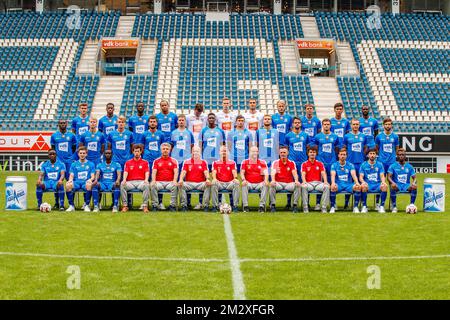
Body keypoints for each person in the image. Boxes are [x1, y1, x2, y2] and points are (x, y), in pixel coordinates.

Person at [312, 118, 340, 210]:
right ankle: (318, 203)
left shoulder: (335, 136)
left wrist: (334, 158)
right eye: (325, 124)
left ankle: (333, 203)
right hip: (321, 162)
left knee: (332, 182)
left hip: (331, 162)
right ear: (322, 126)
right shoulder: (318, 136)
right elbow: (315, 147)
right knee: (320, 182)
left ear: (330, 125)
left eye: (328, 124)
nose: (326, 126)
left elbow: (337, 148)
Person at [170, 114, 196, 208]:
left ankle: (186, 202)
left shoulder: (189, 133)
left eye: (183, 120)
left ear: (185, 122)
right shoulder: (173, 133)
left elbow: (192, 146)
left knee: (186, 181)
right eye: (179, 120)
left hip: (186, 160)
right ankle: (175, 203)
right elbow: (171, 146)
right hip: (176, 160)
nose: (181, 121)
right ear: (177, 122)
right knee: (176, 181)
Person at [343, 119, 368, 209]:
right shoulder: (347, 136)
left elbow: (365, 148)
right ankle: (346, 202)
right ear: (351, 125)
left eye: (357, 124)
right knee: (349, 182)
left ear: (359, 125)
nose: (355, 126)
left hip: (360, 163)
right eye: (354, 124)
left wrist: (363, 156)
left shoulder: (363, 136)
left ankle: (361, 202)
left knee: (361, 182)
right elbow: (345, 148)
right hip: (350, 163)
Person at [178, 146, 212, 212]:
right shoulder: (187, 162)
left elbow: (206, 172)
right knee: (181, 185)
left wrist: (208, 179)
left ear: (200, 153)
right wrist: (181, 179)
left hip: (200, 184)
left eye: (197, 151)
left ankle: (205, 206)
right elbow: (183, 172)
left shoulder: (203, 162)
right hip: (189, 183)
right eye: (194, 151)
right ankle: (184, 206)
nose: (195, 153)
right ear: (191, 152)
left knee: (208, 185)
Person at [375, 117, 399, 210]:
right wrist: (381, 157)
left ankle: (393, 204)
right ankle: (378, 203)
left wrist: (393, 158)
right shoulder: (379, 137)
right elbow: (377, 148)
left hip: (391, 163)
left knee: (392, 183)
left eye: (389, 124)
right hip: (381, 162)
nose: (388, 126)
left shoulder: (395, 136)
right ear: (383, 125)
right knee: (380, 182)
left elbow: (397, 149)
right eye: (386, 124)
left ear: (391, 125)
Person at [269, 146, 301, 213]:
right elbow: (273, 172)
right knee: (272, 185)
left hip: (289, 184)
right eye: (281, 152)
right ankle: (273, 205)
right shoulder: (275, 162)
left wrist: (296, 181)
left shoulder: (292, 163)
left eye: (284, 152)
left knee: (297, 185)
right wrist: (273, 180)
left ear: (287, 153)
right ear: (279, 153)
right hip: (278, 183)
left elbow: (294, 173)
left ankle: (295, 205)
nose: (283, 154)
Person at [329, 148, 362, 213]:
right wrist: (333, 183)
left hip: (348, 185)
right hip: (339, 184)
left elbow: (353, 174)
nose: (342, 156)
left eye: (344, 155)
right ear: (338, 155)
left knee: (357, 187)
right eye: (341, 154)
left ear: (346, 156)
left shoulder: (350, 165)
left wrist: (357, 182)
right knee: (333, 187)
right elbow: (333, 175)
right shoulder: (334, 165)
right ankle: (332, 207)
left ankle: (355, 207)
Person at [120, 144, 150, 213]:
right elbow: (125, 172)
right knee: (122, 184)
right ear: (133, 152)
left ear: (141, 152)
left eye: (138, 151)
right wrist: (124, 179)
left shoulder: (145, 162)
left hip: (141, 182)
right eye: (135, 151)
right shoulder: (128, 162)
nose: (137, 153)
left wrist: (146, 180)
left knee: (146, 185)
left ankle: (145, 206)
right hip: (131, 182)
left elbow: (147, 172)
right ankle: (125, 206)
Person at [65, 147, 96, 212]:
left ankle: (86, 205)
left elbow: (93, 176)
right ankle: (71, 206)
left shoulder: (91, 164)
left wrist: (90, 180)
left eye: (84, 153)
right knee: (68, 185)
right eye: (80, 153)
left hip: (85, 182)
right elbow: (71, 175)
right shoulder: (74, 164)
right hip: (77, 182)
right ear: (78, 154)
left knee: (89, 185)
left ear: (86, 154)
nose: (82, 155)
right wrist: (70, 180)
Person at [387, 148, 417, 213]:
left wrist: (414, 183)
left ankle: (411, 205)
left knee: (414, 186)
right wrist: (392, 182)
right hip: (397, 185)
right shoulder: (393, 166)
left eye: (403, 155)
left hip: (406, 185)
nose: (401, 156)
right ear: (397, 156)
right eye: (399, 155)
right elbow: (389, 177)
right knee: (392, 186)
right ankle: (394, 207)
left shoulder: (409, 166)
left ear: (405, 156)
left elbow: (415, 178)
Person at [301, 146, 330, 213]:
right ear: (308, 153)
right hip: (309, 183)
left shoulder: (320, 163)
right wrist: (304, 182)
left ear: (316, 153)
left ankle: (324, 207)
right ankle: (305, 207)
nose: (312, 154)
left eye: (314, 152)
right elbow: (303, 174)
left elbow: (323, 173)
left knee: (327, 186)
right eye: (310, 152)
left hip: (318, 183)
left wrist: (325, 181)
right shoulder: (304, 164)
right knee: (304, 186)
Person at [150, 143, 178, 212]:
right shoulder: (156, 161)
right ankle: (155, 205)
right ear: (161, 150)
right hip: (159, 182)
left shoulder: (174, 161)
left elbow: (176, 172)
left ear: (170, 150)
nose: (165, 150)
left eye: (167, 149)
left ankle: (172, 206)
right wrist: (153, 180)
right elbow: (154, 172)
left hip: (170, 182)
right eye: (163, 149)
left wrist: (174, 180)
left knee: (175, 186)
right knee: (153, 186)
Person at [211, 146, 240, 212]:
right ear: (219, 152)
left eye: (225, 151)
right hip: (219, 183)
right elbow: (214, 172)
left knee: (236, 183)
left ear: (228, 153)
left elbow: (234, 171)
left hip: (229, 183)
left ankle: (235, 206)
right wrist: (214, 178)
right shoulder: (215, 163)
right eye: (222, 151)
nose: (224, 152)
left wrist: (235, 178)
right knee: (214, 183)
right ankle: (215, 206)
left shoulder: (232, 162)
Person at [241, 146, 269, 213]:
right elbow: (242, 172)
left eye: (256, 151)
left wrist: (266, 180)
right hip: (249, 183)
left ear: (258, 152)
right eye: (253, 151)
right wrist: (243, 179)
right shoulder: (245, 162)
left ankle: (262, 206)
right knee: (244, 185)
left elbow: (266, 173)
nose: (254, 153)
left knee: (265, 185)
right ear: (249, 152)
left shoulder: (262, 162)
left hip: (259, 183)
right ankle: (245, 206)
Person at [359, 149, 388, 213]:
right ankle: (364, 206)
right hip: (368, 184)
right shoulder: (363, 165)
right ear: (367, 155)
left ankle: (381, 206)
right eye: (370, 153)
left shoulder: (380, 164)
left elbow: (382, 175)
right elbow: (361, 177)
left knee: (385, 186)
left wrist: (383, 182)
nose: (372, 155)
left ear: (376, 155)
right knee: (363, 186)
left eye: (373, 154)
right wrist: (363, 182)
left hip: (377, 184)